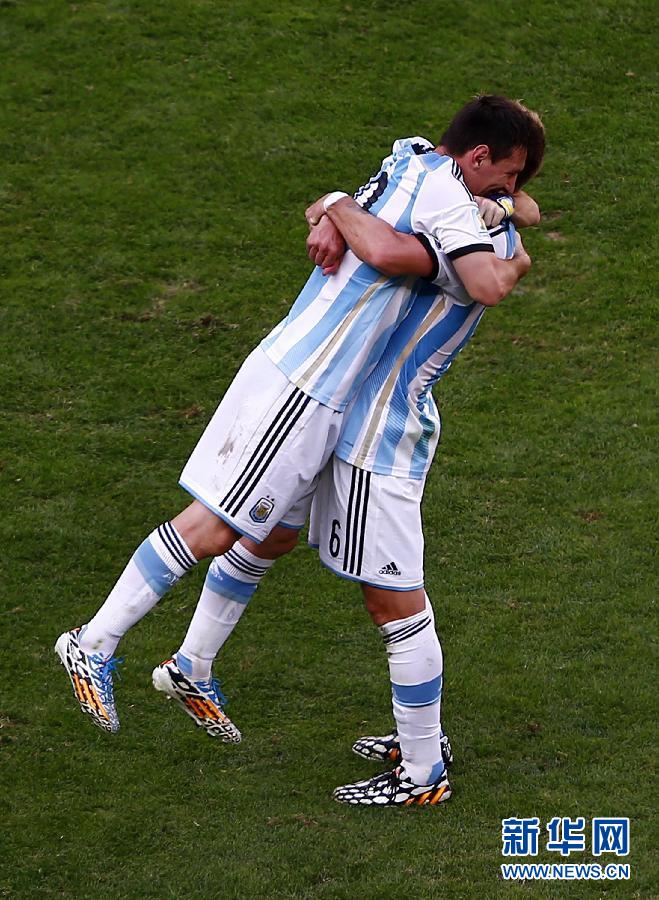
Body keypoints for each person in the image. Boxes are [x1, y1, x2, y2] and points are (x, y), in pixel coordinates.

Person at [55, 96, 543, 757]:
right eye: (505, 176)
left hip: (322, 387)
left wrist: (338, 206)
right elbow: (460, 271)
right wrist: (508, 250)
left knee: (273, 531)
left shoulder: (412, 157)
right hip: (306, 379)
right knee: (217, 525)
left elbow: (517, 209)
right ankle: (92, 642)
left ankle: (192, 665)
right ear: (476, 157)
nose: (510, 191)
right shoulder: (444, 197)